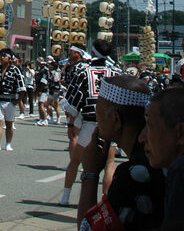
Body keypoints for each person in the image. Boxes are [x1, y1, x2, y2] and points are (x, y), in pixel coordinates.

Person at [77, 74, 164, 231]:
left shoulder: (131, 175)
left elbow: (87, 228)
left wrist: (90, 173)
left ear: (116, 119)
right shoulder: (160, 156)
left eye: (99, 113)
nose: (97, 121)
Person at [139, 85, 184, 231]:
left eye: (150, 125)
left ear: (180, 132)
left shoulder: (180, 171)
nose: (142, 137)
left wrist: (91, 174)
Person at [59, 44, 88, 205]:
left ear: (78, 53)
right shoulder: (77, 67)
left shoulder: (80, 68)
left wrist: (70, 108)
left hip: (79, 104)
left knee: (74, 135)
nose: (69, 53)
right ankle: (79, 161)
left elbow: (75, 89)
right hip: (85, 105)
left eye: (71, 51)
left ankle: (75, 161)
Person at [0, 47, 25, 151]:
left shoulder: (15, 70)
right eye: (1, 56)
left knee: (9, 123)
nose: (2, 58)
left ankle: (8, 143)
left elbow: (22, 88)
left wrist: (18, 100)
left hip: (10, 100)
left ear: (9, 59)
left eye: (4, 56)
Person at [35, 55, 50, 125]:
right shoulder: (40, 69)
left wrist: (40, 90)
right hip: (40, 88)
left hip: (43, 90)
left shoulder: (44, 70)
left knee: (41, 104)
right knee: (39, 104)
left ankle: (45, 119)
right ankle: (41, 118)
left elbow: (44, 81)